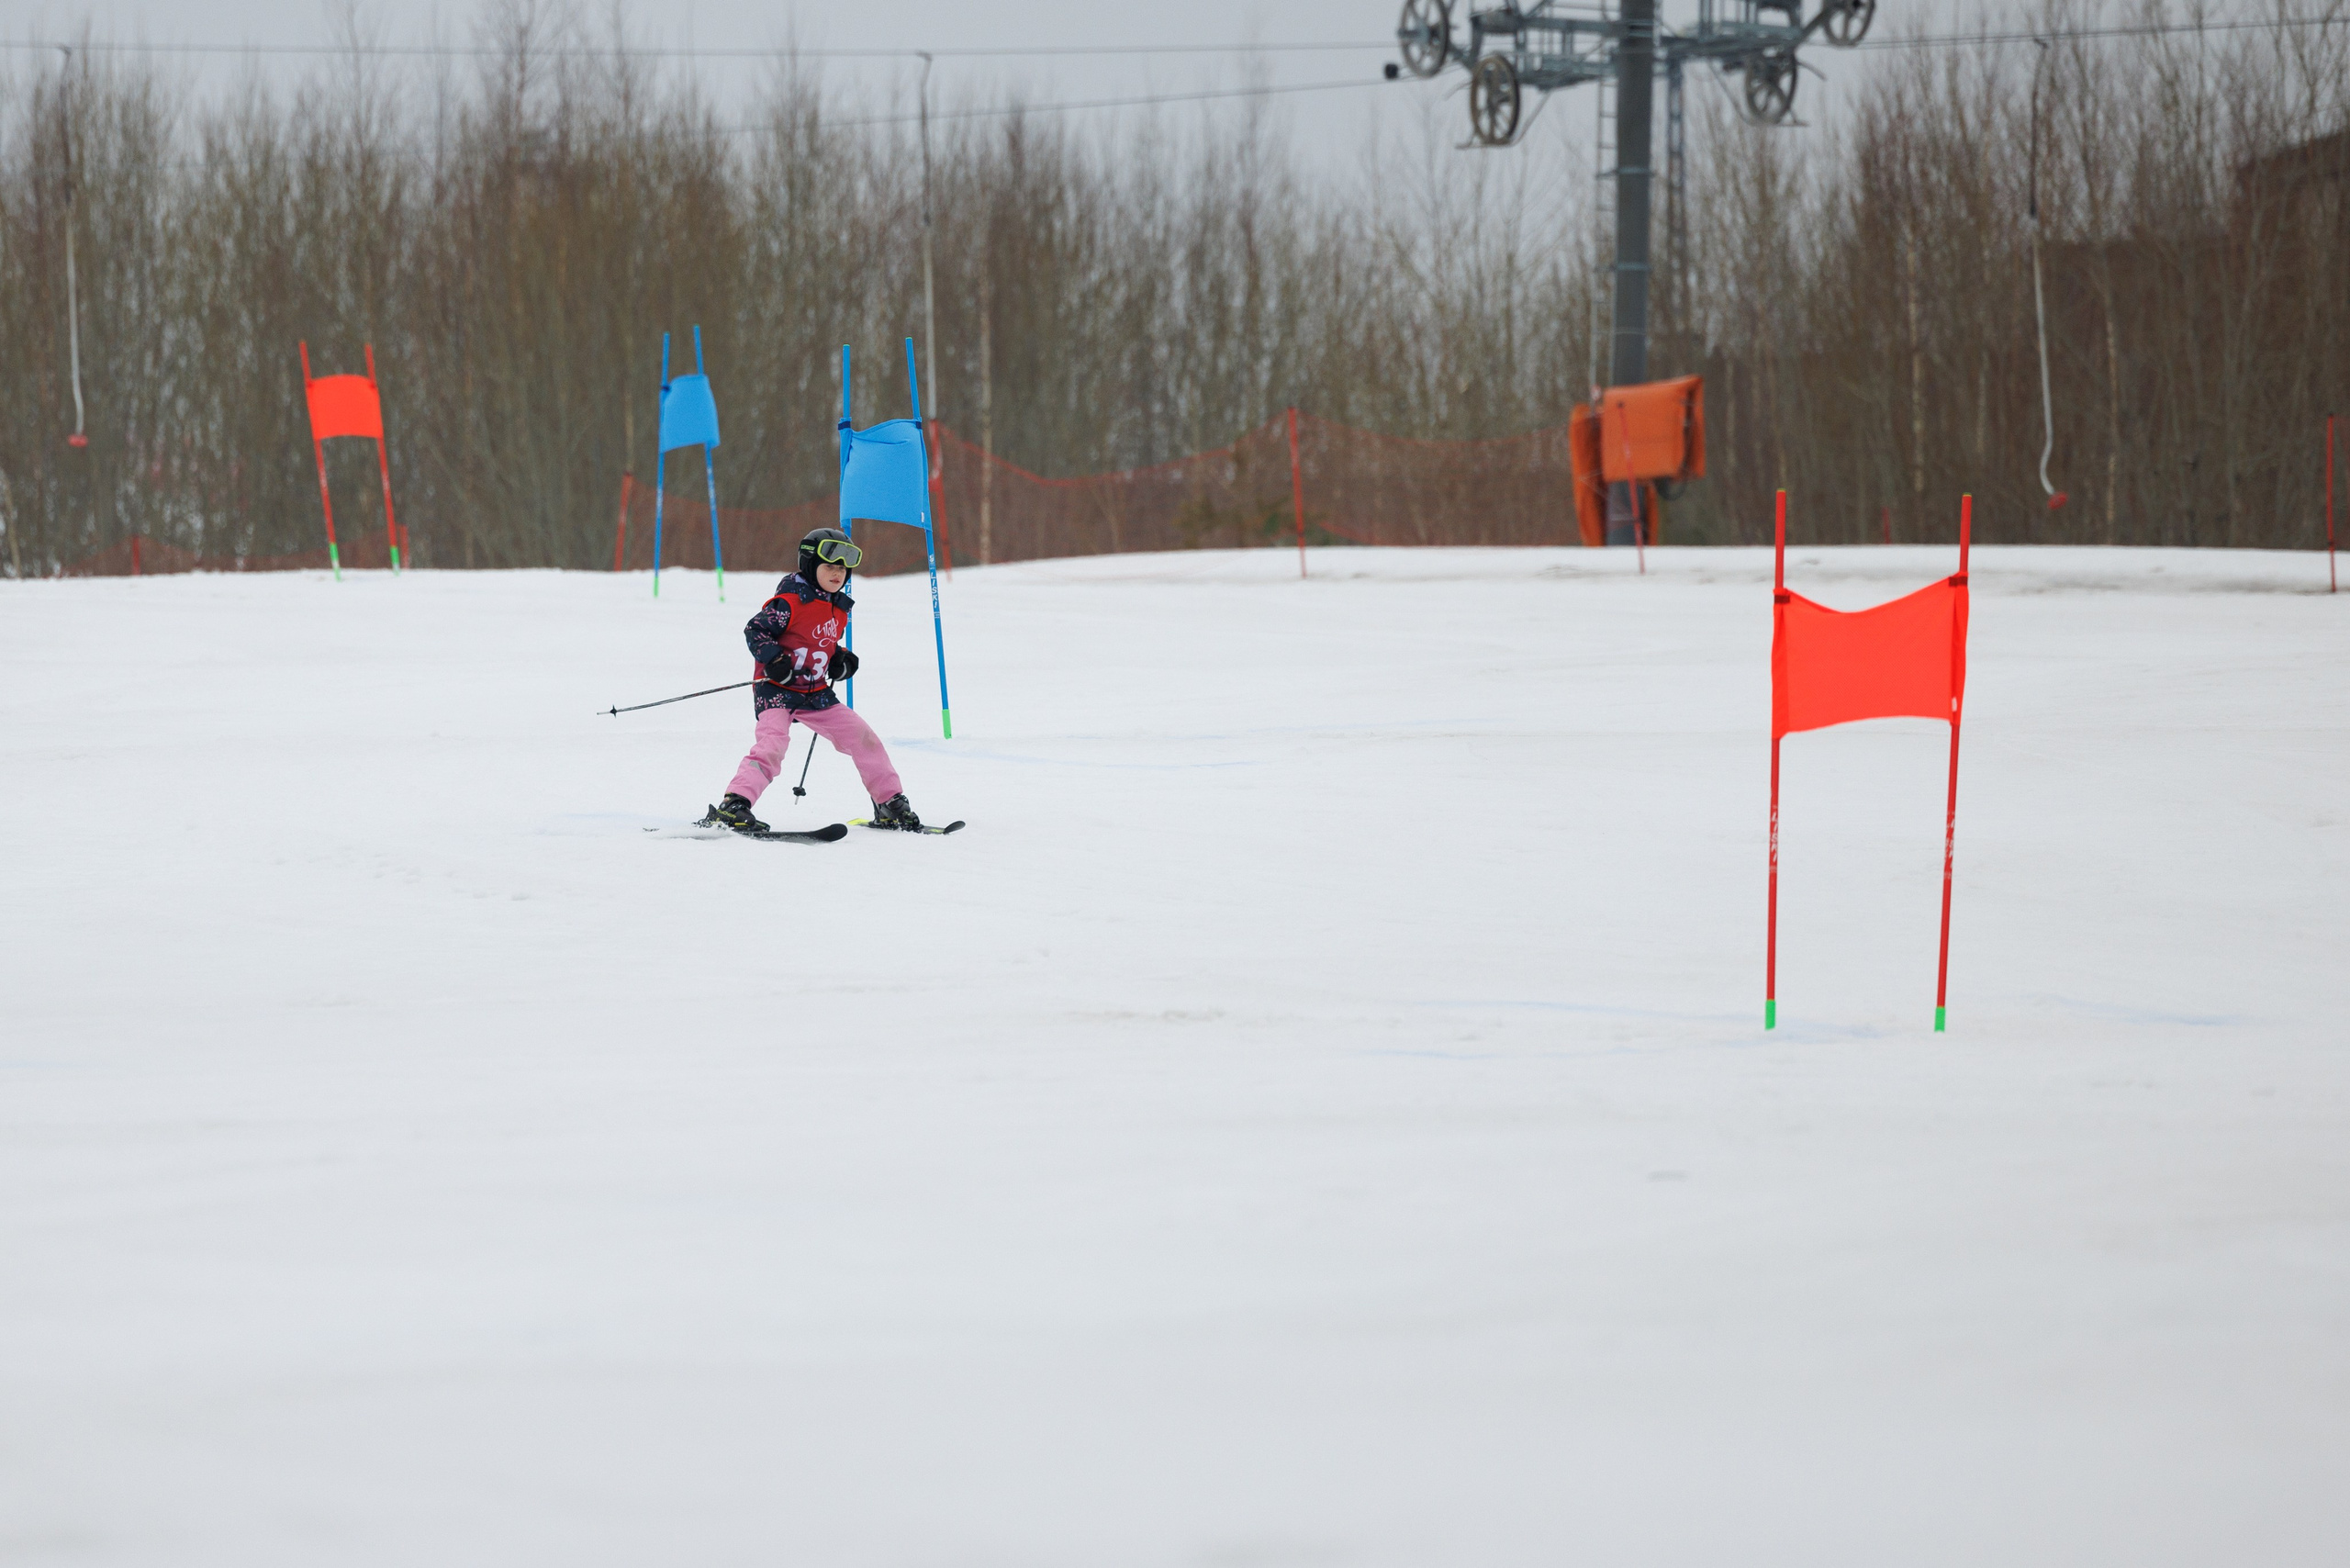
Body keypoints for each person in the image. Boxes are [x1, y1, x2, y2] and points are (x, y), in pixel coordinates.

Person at [702, 527, 927, 833]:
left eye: (843, 569)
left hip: (815, 694)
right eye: (830, 566)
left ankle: (889, 803)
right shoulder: (789, 602)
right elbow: (756, 630)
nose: (838, 573)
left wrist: (840, 659)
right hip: (777, 690)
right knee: (772, 746)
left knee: (864, 738)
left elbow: (822, 643)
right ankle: (734, 805)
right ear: (810, 565)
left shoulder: (838, 609)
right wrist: (774, 660)